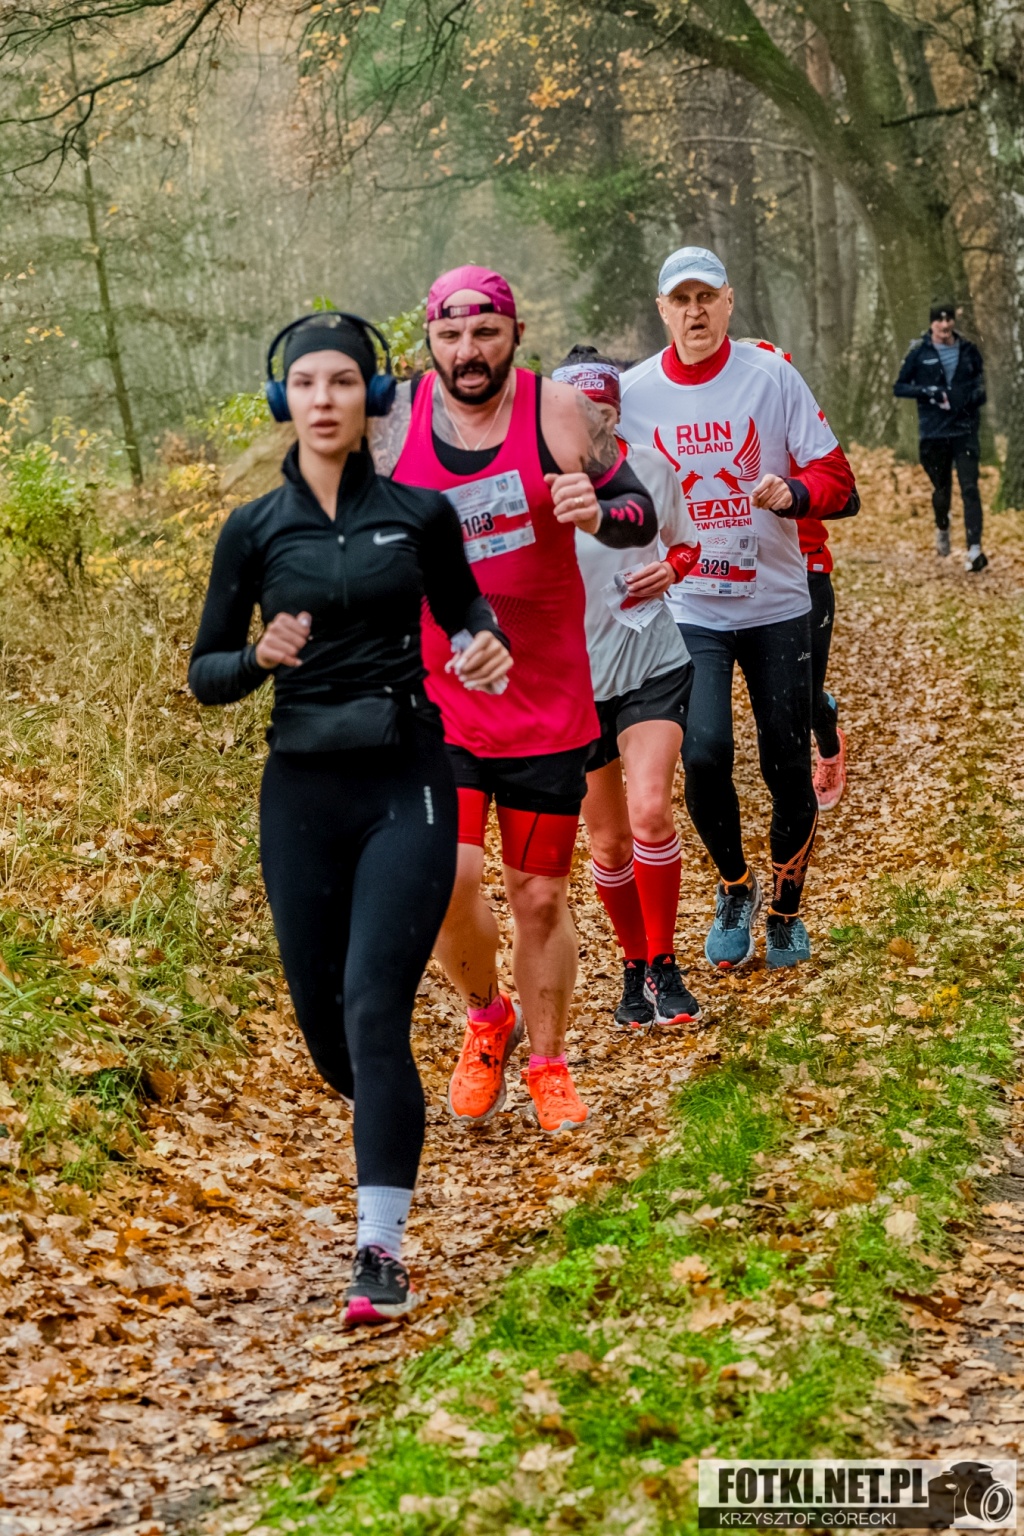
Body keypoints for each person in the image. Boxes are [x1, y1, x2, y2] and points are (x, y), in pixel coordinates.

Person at [189, 311, 512, 1325]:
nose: (323, 399)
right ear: (282, 398)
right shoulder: (252, 529)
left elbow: (467, 611)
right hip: (301, 792)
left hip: (405, 780)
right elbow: (205, 673)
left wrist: (484, 645)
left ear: (372, 397)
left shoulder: (420, 514)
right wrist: (259, 658)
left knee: (375, 1008)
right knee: (331, 1035)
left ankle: (380, 1251)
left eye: (341, 381)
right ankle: (387, 1103)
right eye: (305, 383)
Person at [371, 265, 659, 1132]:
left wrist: (596, 512)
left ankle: (548, 1062)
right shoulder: (394, 425)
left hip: (545, 699)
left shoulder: (561, 413)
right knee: (445, 881)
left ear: (514, 335)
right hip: (440, 700)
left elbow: (641, 511)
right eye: (451, 335)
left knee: (538, 897)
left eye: (485, 333)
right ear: (430, 339)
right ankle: (486, 1016)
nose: (468, 351)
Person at [620, 247, 856, 971]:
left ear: (728, 303)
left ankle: (785, 908)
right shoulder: (634, 393)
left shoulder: (771, 376)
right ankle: (734, 886)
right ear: (662, 310)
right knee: (703, 753)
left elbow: (840, 481)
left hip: (777, 604)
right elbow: (592, 470)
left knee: (785, 761)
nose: (694, 312)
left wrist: (796, 492)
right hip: (691, 608)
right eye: (681, 299)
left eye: (707, 297)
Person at [552, 346, 701, 1031]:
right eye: (579, 410)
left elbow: (686, 544)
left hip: (651, 663)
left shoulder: (651, 470)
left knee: (650, 814)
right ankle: (633, 964)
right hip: (575, 685)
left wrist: (670, 571)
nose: (594, 421)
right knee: (609, 845)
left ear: (617, 412)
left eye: (604, 409)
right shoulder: (538, 487)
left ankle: (666, 963)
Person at [739, 339, 859, 812]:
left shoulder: (801, 429)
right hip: (736, 575)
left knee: (803, 698)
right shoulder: (718, 430)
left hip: (806, 571)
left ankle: (828, 744)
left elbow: (848, 499)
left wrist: (795, 493)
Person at [894, 303, 987, 572]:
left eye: (949, 320)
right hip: (934, 433)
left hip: (964, 431)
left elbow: (981, 388)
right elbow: (900, 387)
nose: (945, 326)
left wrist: (966, 399)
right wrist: (930, 392)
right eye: (939, 321)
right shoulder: (919, 353)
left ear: (954, 322)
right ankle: (942, 525)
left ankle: (974, 549)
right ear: (932, 323)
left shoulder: (969, 351)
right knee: (942, 490)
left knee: (970, 489)